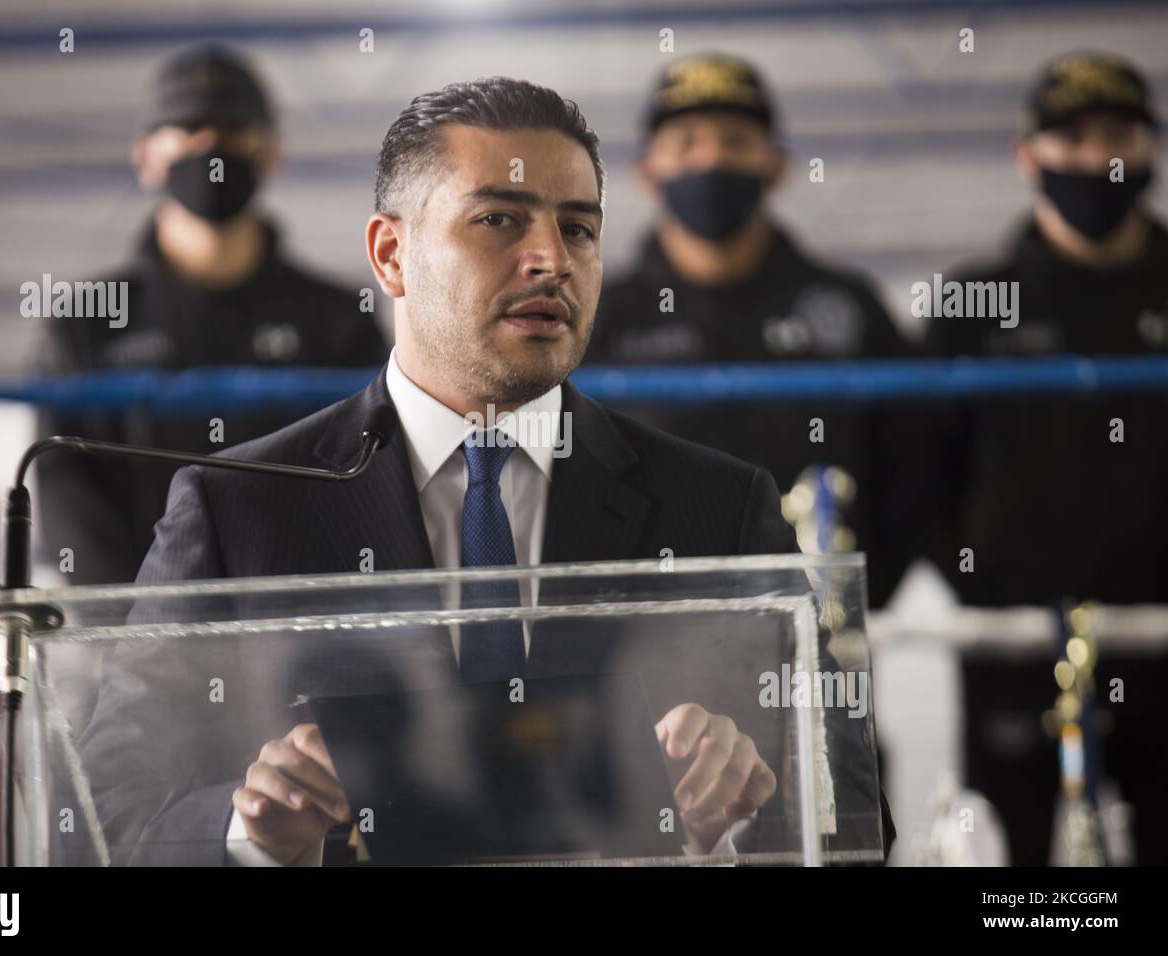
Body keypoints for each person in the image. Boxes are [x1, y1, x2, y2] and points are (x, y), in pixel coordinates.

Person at [75, 76, 894, 866]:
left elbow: (853, 815)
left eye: (578, 229)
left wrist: (746, 821)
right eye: (500, 219)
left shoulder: (721, 506)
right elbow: (104, 810)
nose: (551, 260)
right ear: (391, 255)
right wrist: (248, 833)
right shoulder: (237, 510)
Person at [926, 51, 1168, 865]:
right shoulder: (970, 307)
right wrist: (987, 582)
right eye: (1072, 136)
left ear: (1152, 149)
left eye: (1118, 133)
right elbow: (924, 476)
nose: (1096, 156)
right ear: (1029, 156)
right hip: (1016, 646)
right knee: (1020, 879)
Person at [36, 45, 387, 585]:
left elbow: (370, 474)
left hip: (298, 634)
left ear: (270, 155)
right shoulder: (87, 321)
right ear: (147, 158)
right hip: (141, 641)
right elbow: (66, 484)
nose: (210, 146)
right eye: (188, 126)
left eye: (231, 127)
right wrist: (133, 629)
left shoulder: (339, 321)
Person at [584, 53, 922, 609]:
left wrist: (854, 596)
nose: (713, 157)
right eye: (688, 141)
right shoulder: (600, 318)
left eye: (737, 140)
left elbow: (914, 466)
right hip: (645, 645)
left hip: (826, 631)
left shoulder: (848, 306)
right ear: (647, 172)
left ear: (777, 166)